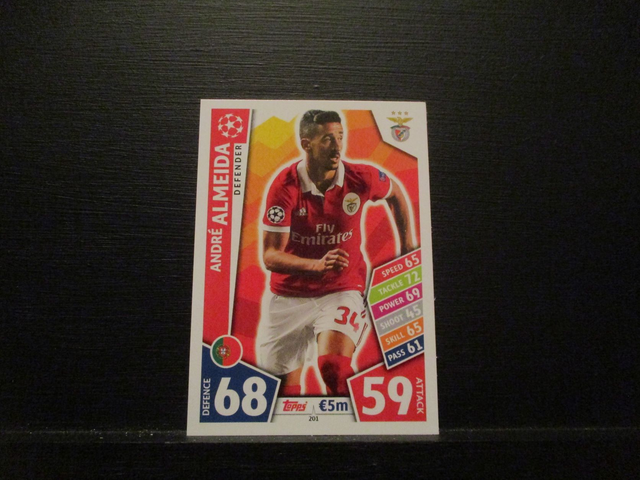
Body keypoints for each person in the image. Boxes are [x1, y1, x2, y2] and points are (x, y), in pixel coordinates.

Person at [258, 110, 416, 396]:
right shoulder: (285, 186)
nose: (337, 146)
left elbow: (396, 194)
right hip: (288, 295)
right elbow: (270, 256)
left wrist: (407, 247)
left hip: (341, 288)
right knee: (282, 395)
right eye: (328, 139)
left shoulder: (361, 177)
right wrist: (317, 265)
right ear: (306, 144)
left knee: (334, 368)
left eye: (340, 137)